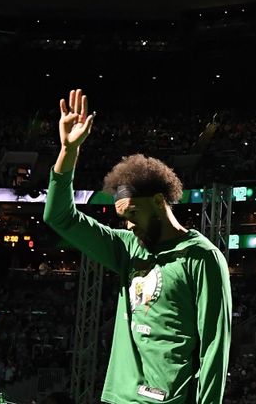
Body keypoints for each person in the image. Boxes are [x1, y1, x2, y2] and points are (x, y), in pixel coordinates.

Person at [44, 88, 231, 404]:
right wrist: (68, 151)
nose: (128, 225)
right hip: (118, 398)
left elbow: (215, 344)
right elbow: (59, 217)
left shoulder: (202, 258)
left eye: (133, 214)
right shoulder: (126, 247)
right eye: (123, 218)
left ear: (159, 202)